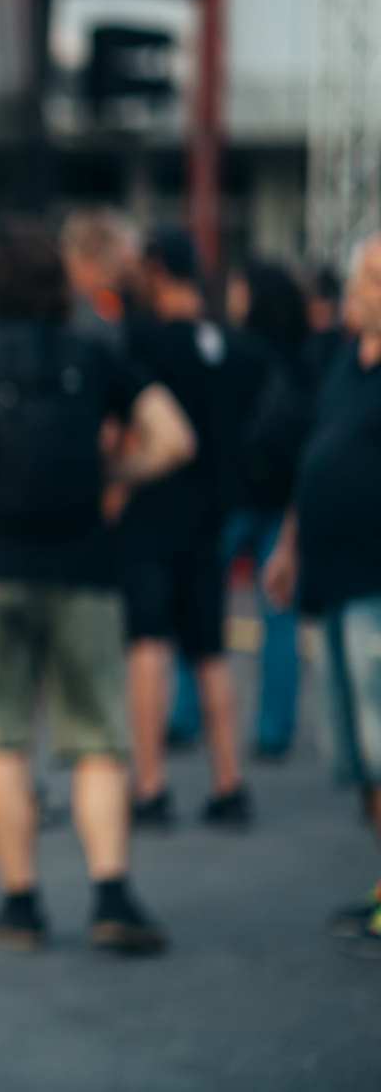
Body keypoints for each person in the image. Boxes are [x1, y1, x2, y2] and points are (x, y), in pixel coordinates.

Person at [0, 217, 192, 955]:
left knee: (0, 738)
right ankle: (111, 891)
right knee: (98, 738)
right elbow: (175, 438)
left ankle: (21, 903)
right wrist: (114, 475)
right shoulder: (98, 348)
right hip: (84, 564)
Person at [121, 229, 263, 829]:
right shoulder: (231, 346)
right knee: (211, 650)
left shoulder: (143, 342)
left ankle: (151, 785)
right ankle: (229, 782)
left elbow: (133, 428)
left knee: (149, 644)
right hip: (212, 514)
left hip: (152, 509)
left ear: (156, 270)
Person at [264, 234, 381, 957]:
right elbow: (320, 459)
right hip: (334, 582)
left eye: (373, 275)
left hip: (376, 583)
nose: (357, 284)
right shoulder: (345, 361)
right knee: (360, 754)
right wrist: (289, 545)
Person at [221, 260, 313, 761]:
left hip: (235, 494)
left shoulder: (234, 351)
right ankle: (274, 726)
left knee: (201, 614)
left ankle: (189, 714)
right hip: (284, 496)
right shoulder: (308, 354)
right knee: (280, 614)